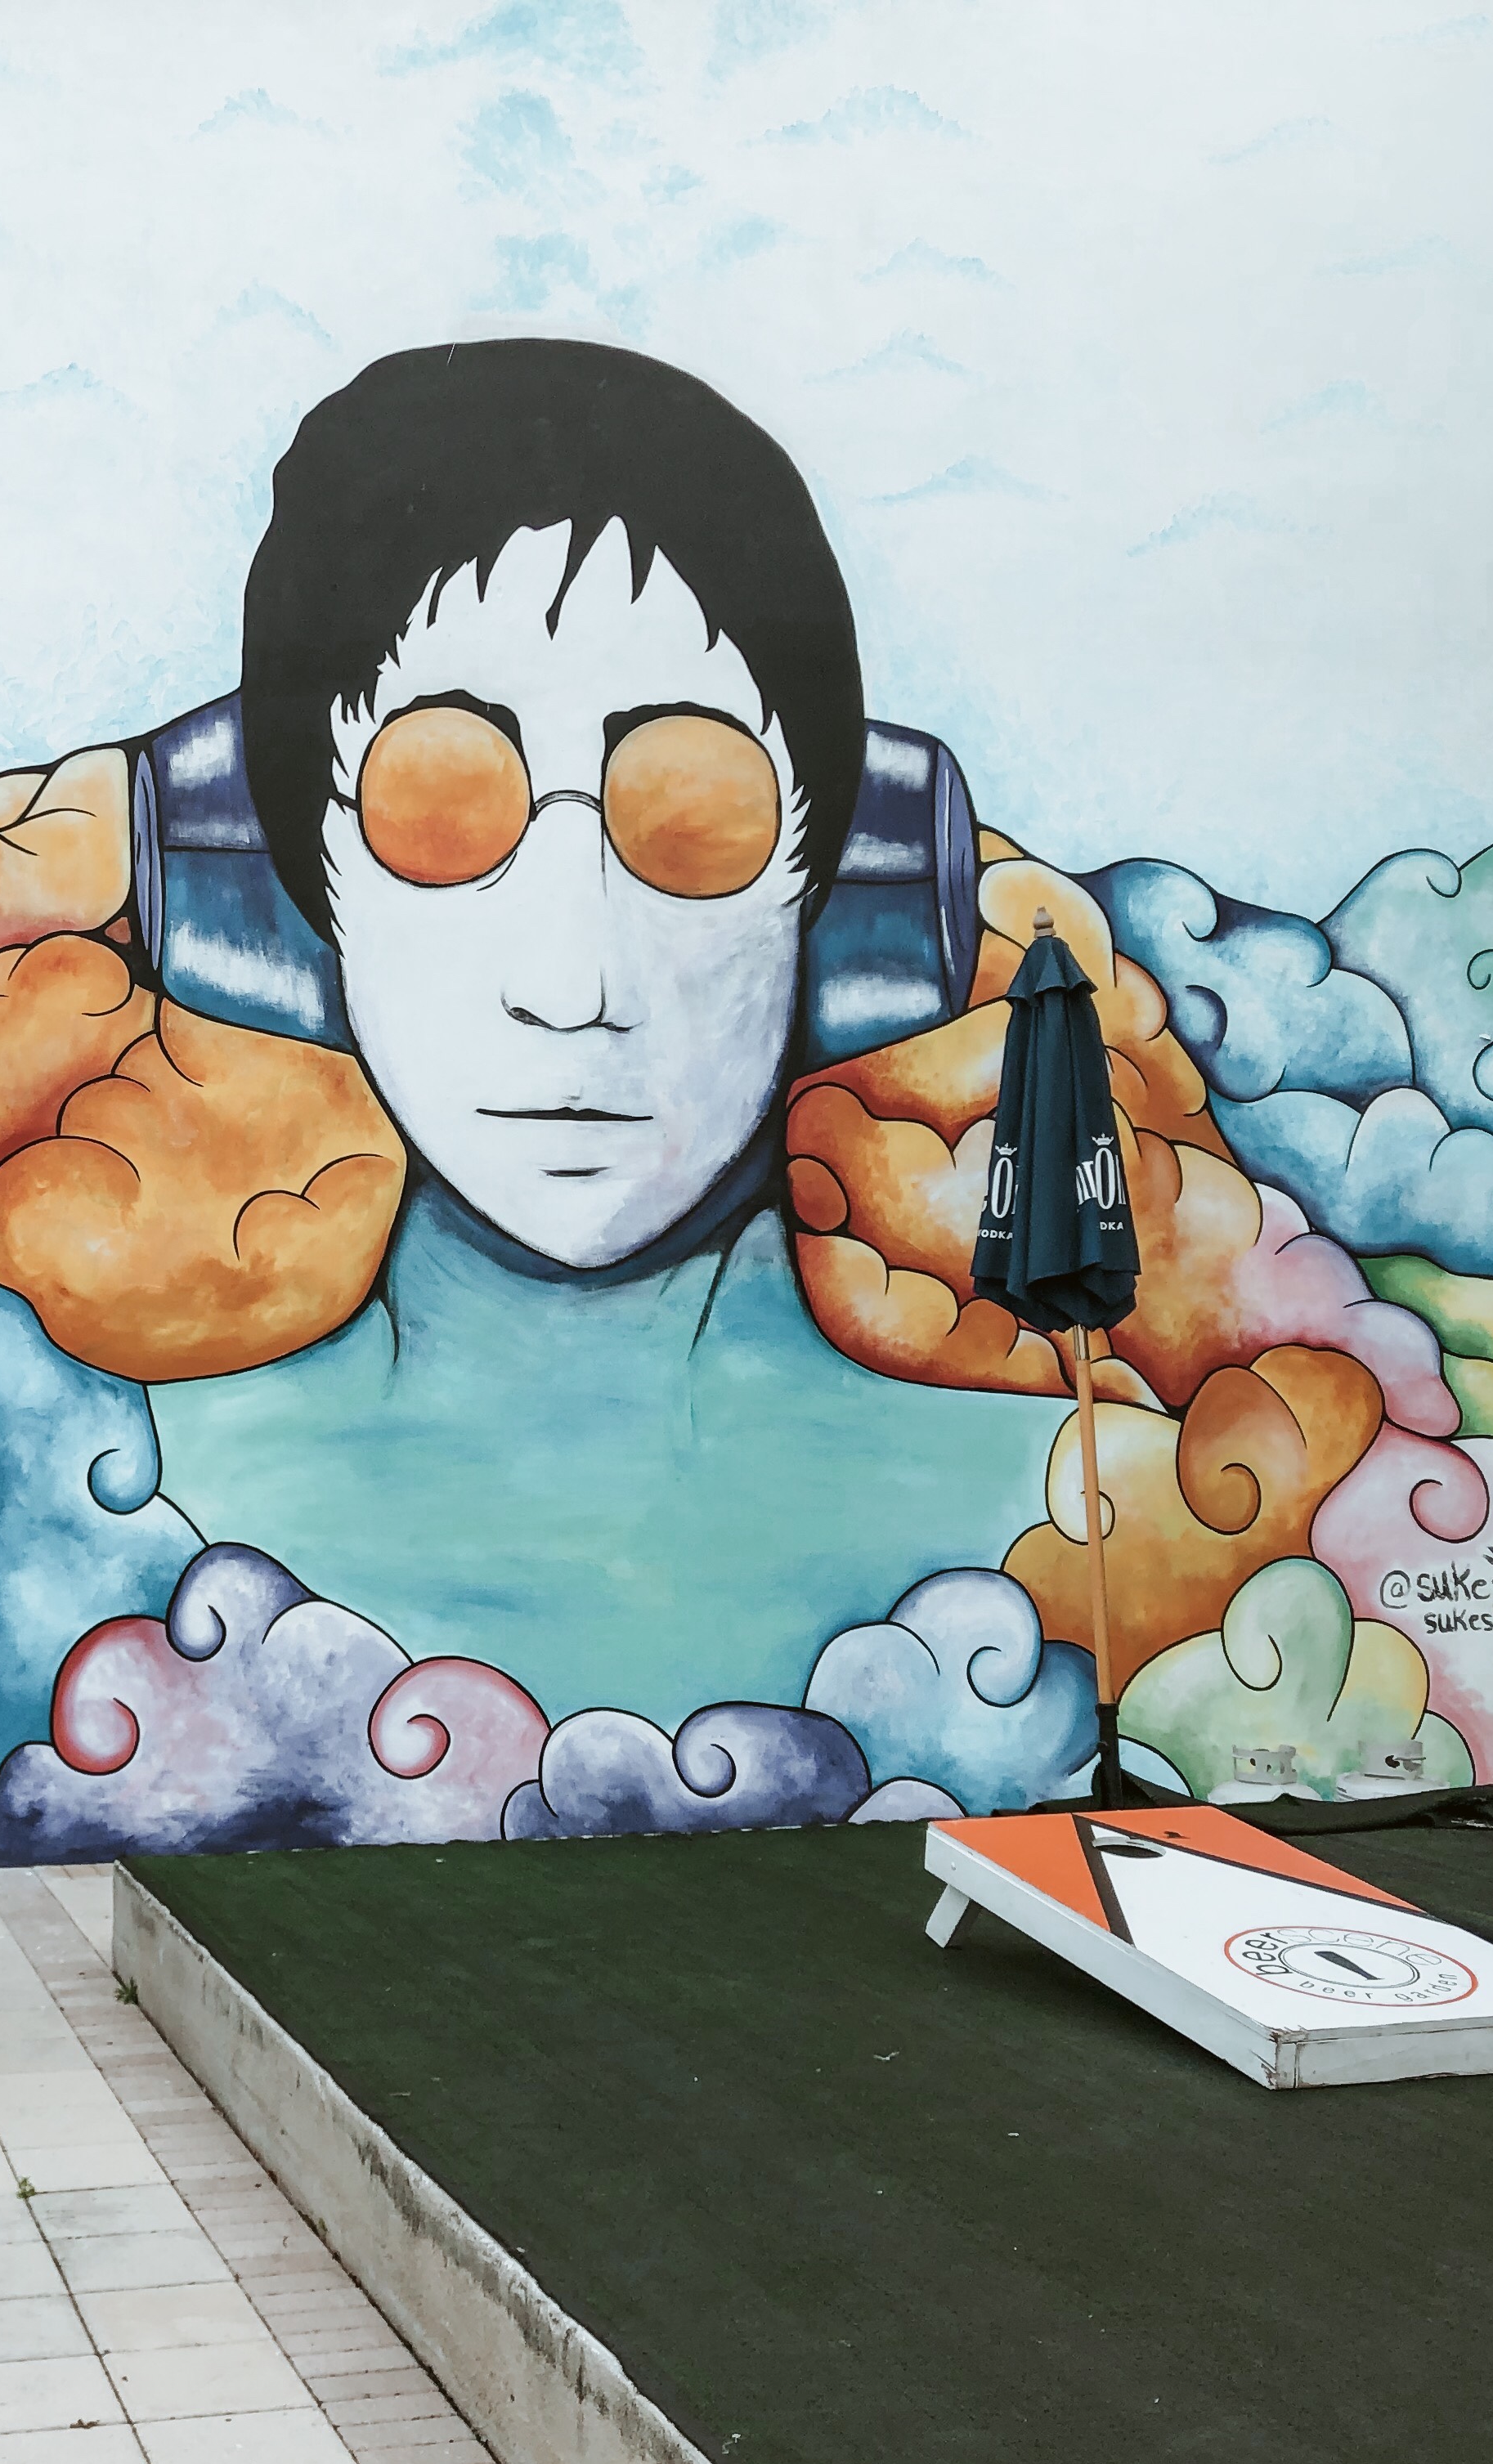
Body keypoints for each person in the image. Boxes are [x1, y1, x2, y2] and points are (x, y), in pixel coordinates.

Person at [123, 343, 1059, 1722]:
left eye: (693, 820)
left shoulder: (1049, 1509)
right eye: (445, 810)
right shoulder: (137, 1494)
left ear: (836, 873)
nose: (573, 982)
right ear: (294, 876)